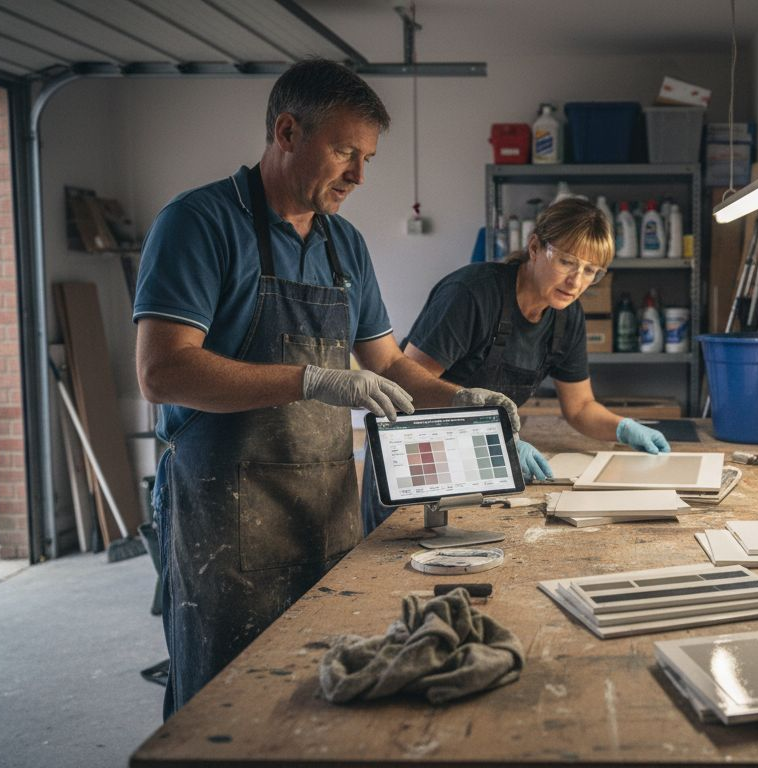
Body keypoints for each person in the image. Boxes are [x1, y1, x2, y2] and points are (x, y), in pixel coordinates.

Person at [132, 59, 515, 718]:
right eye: (344, 151)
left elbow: (389, 364)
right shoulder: (200, 222)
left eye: (367, 157)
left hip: (326, 515)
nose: (360, 175)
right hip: (226, 522)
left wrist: (459, 399)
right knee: (226, 709)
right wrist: (311, 379)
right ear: (286, 131)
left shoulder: (347, 246)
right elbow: (162, 371)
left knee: (325, 700)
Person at [362, 198, 669, 532]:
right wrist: (496, 435)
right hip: (415, 455)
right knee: (400, 557)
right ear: (534, 246)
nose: (576, 281)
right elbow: (406, 391)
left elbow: (580, 407)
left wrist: (622, 428)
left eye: (590, 272)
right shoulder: (472, 294)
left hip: (480, 457)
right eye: (567, 262)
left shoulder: (567, 317)